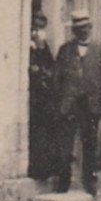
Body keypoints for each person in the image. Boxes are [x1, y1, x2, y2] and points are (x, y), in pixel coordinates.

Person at [53, 10, 101, 195]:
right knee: (65, 144)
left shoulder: (100, 50)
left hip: (91, 105)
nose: (83, 32)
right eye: (79, 29)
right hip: (69, 104)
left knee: (90, 144)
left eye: (85, 28)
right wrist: (60, 100)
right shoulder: (65, 50)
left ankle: (90, 181)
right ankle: (63, 181)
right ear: (74, 31)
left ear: (91, 28)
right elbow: (57, 77)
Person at [28, 11, 56, 180]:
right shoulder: (28, 45)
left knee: (44, 132)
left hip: (43, 96)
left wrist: (45, 72)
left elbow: (51, 65)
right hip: (31, 95)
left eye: (41, 27)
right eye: (36, 26)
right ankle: (35, 168)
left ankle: (43, 169)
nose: (38, 30)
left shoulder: (44, 46)